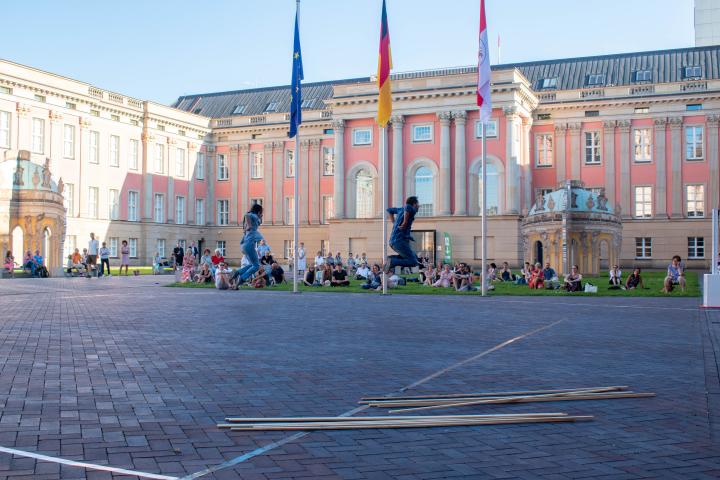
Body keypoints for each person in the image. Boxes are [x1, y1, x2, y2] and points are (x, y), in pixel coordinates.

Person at [384, 196, 420, 274]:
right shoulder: (411, 209)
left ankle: (391, 258)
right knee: (413, 261)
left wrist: (394, 223)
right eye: (418, 204)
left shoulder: (400, 209)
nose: (419, 206)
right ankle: (393, 261)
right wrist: (405, 222)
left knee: (413, 256)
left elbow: (389, 210)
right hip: (399, 241)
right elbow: (407, 207)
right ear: (414, 204)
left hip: (393, 242)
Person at [234, 203, 265, 284]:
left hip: (244, 245)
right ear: (258, 211)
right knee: (256, 266)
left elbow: (257, 221)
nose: (261, 214)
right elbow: (247, 215)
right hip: (249, 245)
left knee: (252, 264)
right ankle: (241, 278)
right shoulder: (252, 215)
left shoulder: (256, 218)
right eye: (261, 212)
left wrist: (259, 218)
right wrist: (249, 225)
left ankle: (237, 273)